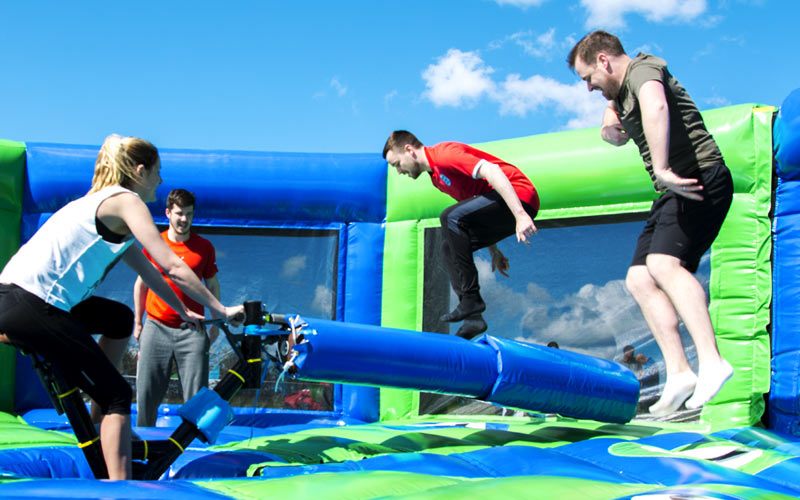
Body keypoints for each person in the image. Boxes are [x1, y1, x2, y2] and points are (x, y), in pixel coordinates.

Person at [0, 135, 243, 480]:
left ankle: (104, 418)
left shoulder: (100, 206)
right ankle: (120, 487)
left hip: (14, 299)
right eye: (158, 172)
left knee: (119, 319)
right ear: (140, 171)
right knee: (118, 392)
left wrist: (185, 310)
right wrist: (220, 308)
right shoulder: (126, 201)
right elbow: (173, 265)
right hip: (33, 305)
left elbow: (155, 274)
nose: (160, 181)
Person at [568, 31, 734, 417]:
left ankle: (711, 361)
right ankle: (679, 373)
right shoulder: (618, 90)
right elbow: (613, 117)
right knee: (639, 278)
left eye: (588, 78)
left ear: (605, 61)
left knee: (664, 265)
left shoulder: (645, 70)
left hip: (698, 176)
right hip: (671, 190)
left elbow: (656, 106)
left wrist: (661, 168)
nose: (589, 88)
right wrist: (608, 126)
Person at [383, 131, 539, 339]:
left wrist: (520, 215)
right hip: (501, 206)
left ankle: (471, 302)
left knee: (449, 217)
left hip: (519, 196)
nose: (399, 171)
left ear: (409, 150)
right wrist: (494, 250)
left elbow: (492, 171)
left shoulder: (444, 155)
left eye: (397, 164)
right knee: (448, 247)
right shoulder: (437, 179)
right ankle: (473, 317)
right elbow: (471, 209)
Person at [134, 189, 221, 427]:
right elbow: (141, 284)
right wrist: (138, 322)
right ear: (168, 213)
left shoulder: (204, 247)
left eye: (189, 214)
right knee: (146, 394)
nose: (184, 219)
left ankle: (193, 447)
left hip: (192, 331)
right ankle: (144, 445)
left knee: (196, 397)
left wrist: (216, 323)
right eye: (179, 213)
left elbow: (212, 285)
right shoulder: (155, 243)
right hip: (156, 326)